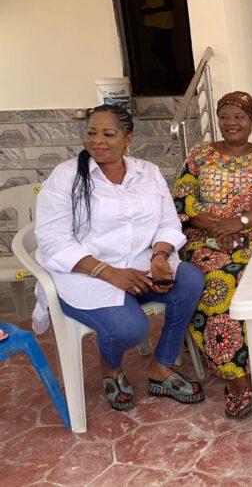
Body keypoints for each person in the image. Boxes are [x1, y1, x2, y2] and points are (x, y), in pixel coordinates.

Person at [35, 104, 206, 411]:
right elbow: (52, 240)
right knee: (131, 329)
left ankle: (161, 365)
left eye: (108, 134)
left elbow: (168, 221)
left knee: (191, 280)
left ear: (128, 138)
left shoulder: (147, 172)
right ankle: (110, 367)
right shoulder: (66, 176)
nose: (97, 141)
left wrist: (160, 256)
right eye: (91, 133)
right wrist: (108, 272)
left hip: (141, 268)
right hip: (84, 276)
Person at [172, 91, 252, 418]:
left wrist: (236, 223)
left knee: (247, 282)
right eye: (224, 116)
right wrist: (216, 228)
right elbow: (182, 200)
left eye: (239, 116)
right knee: (215, 287)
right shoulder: (198, 156)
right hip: (205, 238)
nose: (231, 123)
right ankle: (238, 382)